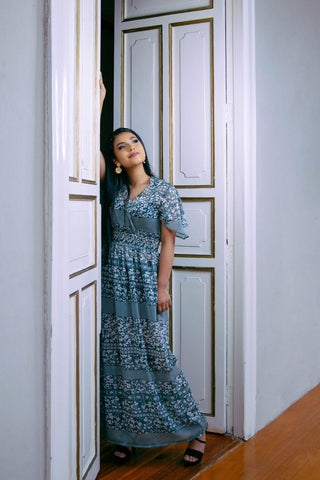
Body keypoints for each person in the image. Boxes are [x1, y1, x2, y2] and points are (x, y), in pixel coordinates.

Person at [99, 74, 207, 467]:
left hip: (146, 280)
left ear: (144, 150)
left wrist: (163, 288)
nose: (131, 149)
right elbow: (90, 160)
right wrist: (98, 103)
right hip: (114, 280)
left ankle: (194, 429)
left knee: (156, 354)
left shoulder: (164, 191)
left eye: (135, 142)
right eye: (121, 147)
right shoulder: (113, 191)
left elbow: (168, 243)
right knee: (117, 357)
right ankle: (124, 434)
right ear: (115, 158)